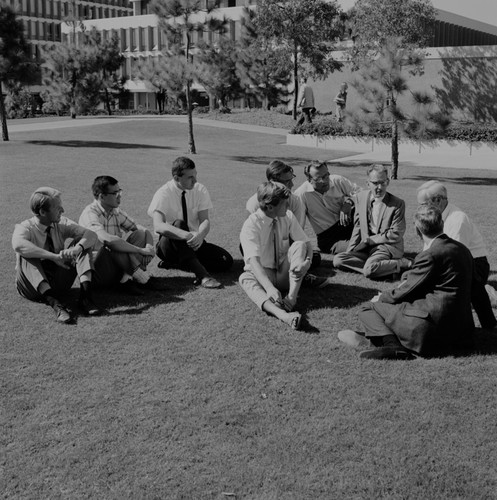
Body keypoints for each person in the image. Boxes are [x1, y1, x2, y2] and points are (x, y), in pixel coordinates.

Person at [338, 205, 475, 360]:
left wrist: (382, 297)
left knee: (368, 307)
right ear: (441, 223)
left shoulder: (430, 255)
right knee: (399, 306)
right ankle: (384, 338)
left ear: (417, 230)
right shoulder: (463, 250)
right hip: (461, 331)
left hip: (431, 329)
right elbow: (477, 290)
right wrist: (490, 323)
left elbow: (408, 289)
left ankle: (392, 346)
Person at [12, 187, 102, 324]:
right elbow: (18, 245)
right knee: (26, 254)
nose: (63, 211)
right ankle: (56, 305)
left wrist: (77, 249)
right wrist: (53, 257)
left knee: (83, 243)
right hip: (31, 288)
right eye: (57, 208)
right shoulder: (25, 227)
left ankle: (85, 297)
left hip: (58, 282)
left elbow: (91, 235)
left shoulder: (62, 222)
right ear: (42, 212)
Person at [417, 180, 497, 331]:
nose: (420, 208)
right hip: (460, 261)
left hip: (474, 264)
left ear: (438, 201)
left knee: (463, 289)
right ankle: (488, 323)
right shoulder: (435, 217)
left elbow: (452, 256)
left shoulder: (457, 219)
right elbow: (430, 249)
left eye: (422, 204)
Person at [148, 156, 233, 289]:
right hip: (168, 246)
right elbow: (158, 226)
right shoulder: (163, 193)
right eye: (190, 177)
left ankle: (181, 263)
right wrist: (187, 235)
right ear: (176, 178)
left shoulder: (200, 189)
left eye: (195, 175)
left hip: (193, 242)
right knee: (179, 224)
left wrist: (200, 236)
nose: (195, 180)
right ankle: (203, 276)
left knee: (225, 261)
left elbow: (205, 220)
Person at [239, 181, 313, 330]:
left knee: (299, 245)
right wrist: (269, 288)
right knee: (244, 278)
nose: (288, 206)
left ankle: (291, 299)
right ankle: (283, 315)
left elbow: (306, 243)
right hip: (264, 276)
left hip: (285, 273)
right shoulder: (251, 225)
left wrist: (307, 262)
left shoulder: (288, 216)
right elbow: (253, 261)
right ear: (270, 207)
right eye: (284, 203)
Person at [79, 176, 156, 292]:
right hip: (97, 272)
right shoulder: (90, 213)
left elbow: (141, 229)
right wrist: (139, 250)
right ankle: (141, 278)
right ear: (102, 196)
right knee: (112, 244)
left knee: (139, 234)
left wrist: (149, 247)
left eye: (120, 191)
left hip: (115, 264)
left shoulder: (115, 211)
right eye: (115, 193)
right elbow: (108, 240)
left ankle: (126, 280)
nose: (119, 195)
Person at [333, 164, 411, 279]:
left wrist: (370, 240)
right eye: (375, 183)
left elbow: (396, 234)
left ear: (387, 182)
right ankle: (383, 268)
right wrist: (351, 250)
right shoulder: (360, 197)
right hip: (366, 249)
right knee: (338, 260)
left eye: (382, 183)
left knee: (369, 270)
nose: (379, 187)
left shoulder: (398, 204)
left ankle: (402, 263)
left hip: (386, 246)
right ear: (367, 183)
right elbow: (358, 226)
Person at [245, 159, 322, 273]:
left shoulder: (295, 200)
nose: (292, 184)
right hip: (263, 247)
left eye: (292, 179)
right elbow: (252, 238)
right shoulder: (254, 203)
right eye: (287, 181)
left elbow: (296, 234)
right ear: (273, 182)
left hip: (286, 247)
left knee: (313, 257)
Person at [294, 160, 360, 256]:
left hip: (348, 222)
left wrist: (349, 202)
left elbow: (362, 193)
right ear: (309, 180)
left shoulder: (337, 180)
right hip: (329, 237)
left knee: (365, 209)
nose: (324, 181)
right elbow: (299, 225)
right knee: (357, 247)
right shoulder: (301, 194)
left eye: (326, 176)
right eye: (318, 178)